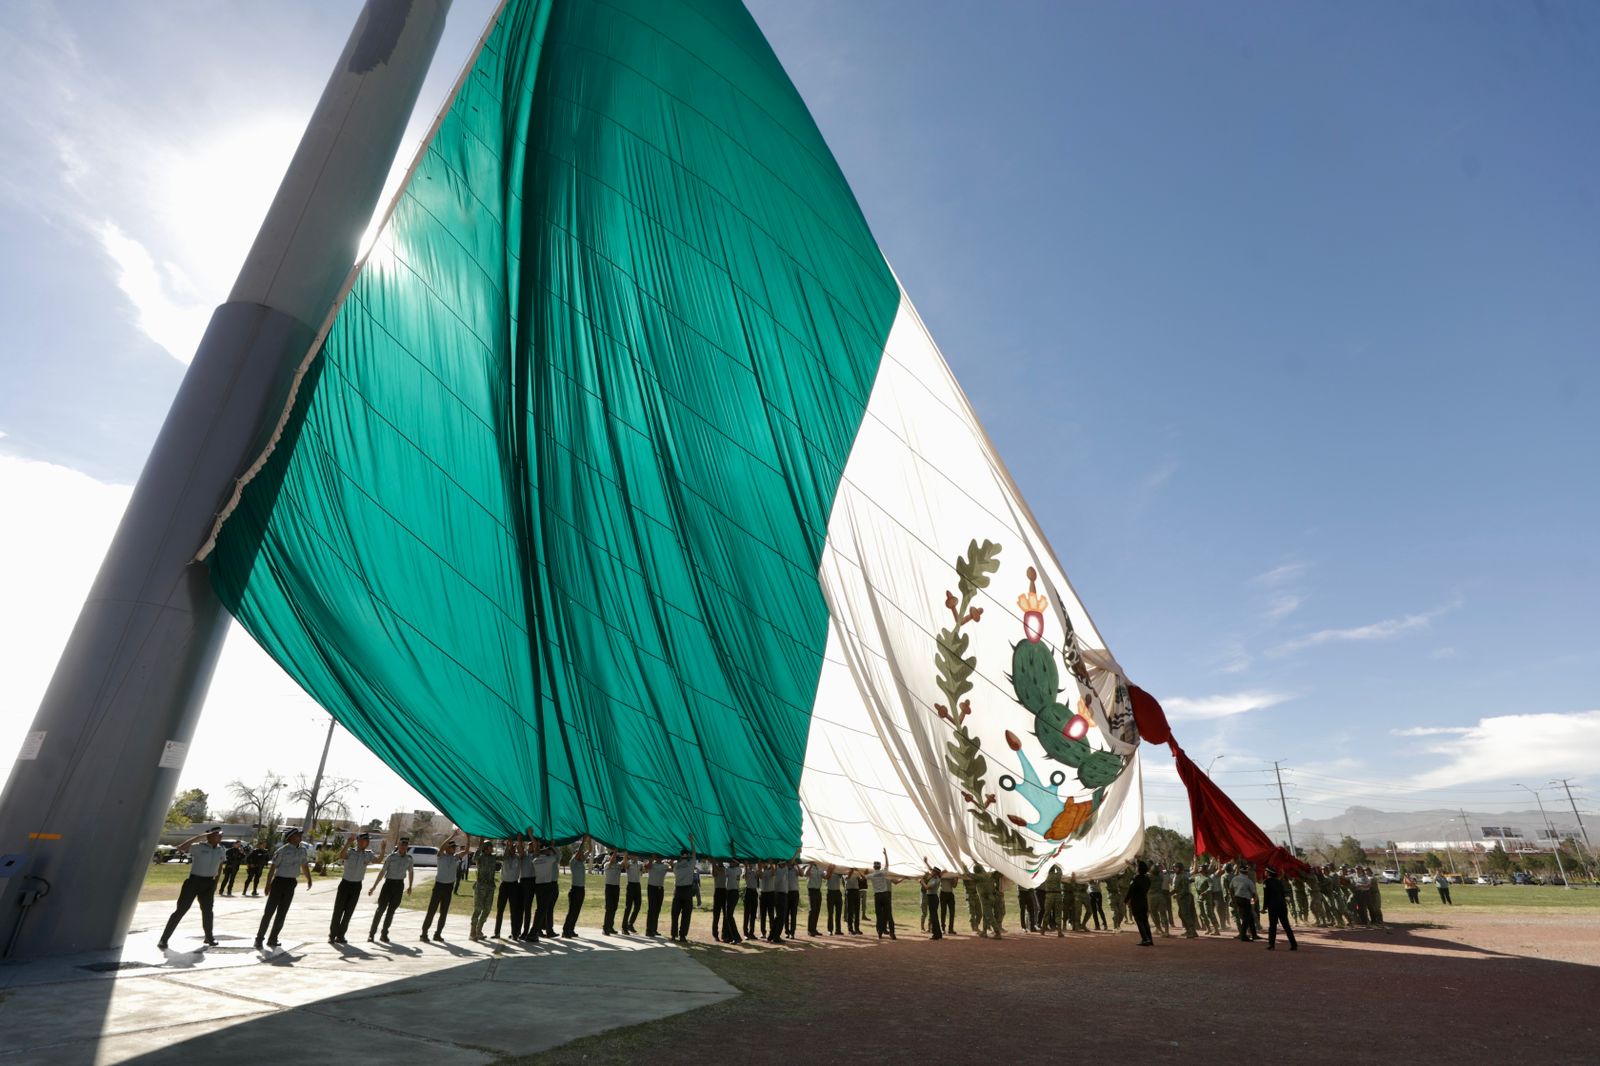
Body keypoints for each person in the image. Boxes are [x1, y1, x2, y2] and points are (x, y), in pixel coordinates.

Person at [158, 827, 226, 950]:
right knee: (181, 910)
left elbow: (220, 866)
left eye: (221, 835)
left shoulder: (221, 849)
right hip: (194, 881)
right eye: (217, 835)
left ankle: (209, 937)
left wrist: (215, 882)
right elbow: (181, 848)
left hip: (209, 883)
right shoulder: (198, 847)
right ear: (209, 836)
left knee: (208, 911)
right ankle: (164, 939)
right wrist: (200, 836)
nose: (220, 837)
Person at [255, 826, 313, 950]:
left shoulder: (302, 850)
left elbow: (304, 865)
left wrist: (309, 879)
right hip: (278, 883)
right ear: (291, 837)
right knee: (269, 912)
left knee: (282, 913)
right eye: (298, 835)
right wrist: (267, 885)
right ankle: (259, 939)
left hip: (291, 883)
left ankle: (273, 938)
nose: (300, 837)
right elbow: (273, 868)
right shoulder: (282, 850)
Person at [329, 832, 381, 944]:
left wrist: (383, 849)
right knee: (338, 911)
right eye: (364, 840)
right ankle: (332, 935)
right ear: (358, 841)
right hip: (345, 884)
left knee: (349, 912)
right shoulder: (350, 852)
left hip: (357, 886)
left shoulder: (368, 854)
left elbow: (378, 860)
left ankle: (341, 935)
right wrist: (348, 843)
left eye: (367, 841)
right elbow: (341, 855)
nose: (366, 843)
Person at [367, 837, 415, 941]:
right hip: (388, 885)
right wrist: (374, 887)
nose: (404, 847)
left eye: (406, 845)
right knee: (380, 910)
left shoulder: (409, 858)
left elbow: (411, 872)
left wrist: (410, 886)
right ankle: (372, 934)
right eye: (402, 844)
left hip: (399, 886)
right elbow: (382, 872)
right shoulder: (391, 857)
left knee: (391, 911)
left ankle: (384, 934)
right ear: (398, 845)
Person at [421, 839, 463, 941]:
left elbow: (465, 852)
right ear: (447, 848)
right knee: (432, 911)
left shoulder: (455, 858)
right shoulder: (441, 856)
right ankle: (424, 934)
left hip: (449, 888)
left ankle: (438, 934)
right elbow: (441, 847)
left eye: (454, 848)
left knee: (444, 913)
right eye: (452, 847)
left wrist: (468, 837)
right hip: (439, 886)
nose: (454, 849)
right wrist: (452, 836)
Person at [1262, 867, 1298, 951]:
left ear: (1268, 873)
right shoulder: (1279, 882)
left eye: (1265, 871)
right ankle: (1294, 944)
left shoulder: (1266, 882)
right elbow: (1282, 894)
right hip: (1282, 905)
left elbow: (1266, 896)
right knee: (1286, 925)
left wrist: (1264, 908)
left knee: (1272, 926)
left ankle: (1271, 945)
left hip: (1273, 906)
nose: (1264, 873)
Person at [495, 839, 524, 939]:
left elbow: (521, 852)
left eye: (513, 848)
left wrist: (519, 841)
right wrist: (508, 844)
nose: (512, 849)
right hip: (504, 885)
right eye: (511, 848)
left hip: (514, 886)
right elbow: (505, 854)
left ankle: (514, 933)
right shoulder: (505, 857)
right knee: (500, 910)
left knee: (514, 911)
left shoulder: (518, 858)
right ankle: (497, 932)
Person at [470, 840, 498, 940]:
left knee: (487, 909)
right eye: (490, 847)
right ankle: (472, 931)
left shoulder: (493, 857)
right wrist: (480, 845)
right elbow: (474, 858)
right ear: (485, 848)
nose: (492, 848)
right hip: (480, 887)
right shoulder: (480, 857)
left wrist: (508, 844)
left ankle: (479, 929)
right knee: (478, 909)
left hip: (490, 887)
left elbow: (506, 857)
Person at [670, 840, 698, 941]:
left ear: (681, 856)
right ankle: (682, 936)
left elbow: (672, 863)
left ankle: (673, 935)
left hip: (677, 890)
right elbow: (694, 853)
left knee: (675, 914)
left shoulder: (676, 866)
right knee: (686, 915)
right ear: (687, 856)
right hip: (687, 891)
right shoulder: (691, 864)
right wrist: (691, 841)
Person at [562, 838, 589, 937]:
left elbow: (589, 850)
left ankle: (571, 929)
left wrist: (589, 839)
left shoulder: (581, 862)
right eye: (579, 853)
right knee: (572, 911)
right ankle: (565, 930)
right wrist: (583, 841)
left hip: (581, 889)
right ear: (575, 854)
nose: (581, 855)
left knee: (577, 911)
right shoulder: (573, 862)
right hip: (575, 890)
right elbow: (581, 851)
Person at [1229, 864, 1260, 941]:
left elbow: (1230, 889)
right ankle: (1243, 935)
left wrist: (1233, 899)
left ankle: (1254, 934)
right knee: (1247, 918)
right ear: (1247, 872)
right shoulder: (1248, 881)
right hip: (1245, 900)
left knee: (1249, 917)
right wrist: (1252, 904)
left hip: (1237, 899)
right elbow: (1254, 894)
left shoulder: (1234, 879)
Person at [1125, 860, 1153, 946]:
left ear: (1139, 869)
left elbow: (1131, 890)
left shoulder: (1136, 879)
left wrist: (1126, 900)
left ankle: (1145, 939)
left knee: (1139, 920)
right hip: (1144, 901)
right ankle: (1150, 939)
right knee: (1145, 921)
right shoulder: (1147, 878)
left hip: (1136, 902)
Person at [868, 854, 896, 940]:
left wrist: (860, 871)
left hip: (877, 896)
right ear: (880, 867)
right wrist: (885, 855)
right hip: (885, 895)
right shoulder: (883, 872)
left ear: (874, 867)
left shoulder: (872, 875)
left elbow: (862, 877)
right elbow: (887, 865)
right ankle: (892, 933)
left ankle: (879, 933)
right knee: (889, 914)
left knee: (879, 915)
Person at [644, 856, 669, 937]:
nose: (659, 858)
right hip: (652, 888)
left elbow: (673, 868)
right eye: (657, 856)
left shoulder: (665, 866)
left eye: (660, 856)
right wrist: (651, 858)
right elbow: (646, 867)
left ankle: (654, 929)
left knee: (657, 909)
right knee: (652, 909)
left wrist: (671, 859)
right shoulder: (652, 864)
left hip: (660, 888)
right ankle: (648, 930)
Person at [720, 858, 743, 943]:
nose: (730, 863)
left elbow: (724, 870)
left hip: (733, 893)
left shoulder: (734, 870)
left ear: (736, 863)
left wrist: (718, 863)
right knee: (727, 915)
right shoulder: (735, 869)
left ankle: (736, 937)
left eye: (732, 862)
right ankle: (728, 936)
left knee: (729, 915)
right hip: (730, 892)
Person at [919, 860, 944, 939]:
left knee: (934, 917)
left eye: (933, 871)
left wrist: (922, 882)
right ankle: (938, 934)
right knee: (934, 916)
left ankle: (935, 934)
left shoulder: (936, 880)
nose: (931, 872)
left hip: (932, 898)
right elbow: (930, 870)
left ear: (935, 873)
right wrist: (926, 862)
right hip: (932, 897)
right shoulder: (934, 878)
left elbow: (926, 888)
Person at [601, 850, 623, 934]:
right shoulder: (607, 864)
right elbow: (611, 861)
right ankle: (605, 928)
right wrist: (615, 850)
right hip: (609, 887)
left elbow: (624, 863)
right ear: (610, 857)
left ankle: (610, 927)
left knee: (614, 908)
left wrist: (625, 853)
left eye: (615, 856)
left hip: (616, 887)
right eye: (613, 856)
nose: (614, 857)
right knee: (609, 908)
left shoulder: (618, 865)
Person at [623, 853, 644, 934]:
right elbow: (625, 864)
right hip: (630, 885)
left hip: (637, 885)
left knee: (638, 906)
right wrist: (625, 853)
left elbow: (644, 871)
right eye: (633, 855)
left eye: (636, 854)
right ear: (630, 856)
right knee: (628, 907)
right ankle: (624, 927)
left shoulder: (640, 864)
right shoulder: (628, 863)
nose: (635, 856)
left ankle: (630, 924)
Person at [805, 862, 824, 936]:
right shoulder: (808, 867)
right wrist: (811, 865)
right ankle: (810, 930)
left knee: (817, 910)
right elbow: (806, 874)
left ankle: (814, 929)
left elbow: (826, 876)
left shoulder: (820, 868)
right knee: (812, 910)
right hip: (811, 890)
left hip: (818, 891)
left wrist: (830, 869)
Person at [825, 865, 844, 935]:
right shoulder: (826, 870)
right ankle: (830, 930)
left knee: (838, 913)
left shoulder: (838, 870)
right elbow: (827, 877)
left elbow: (843, 873)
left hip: (838, 892)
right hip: (830, 892)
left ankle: (838, 930)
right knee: (830, 913)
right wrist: (831, 870)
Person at [844, 868, 863, 935]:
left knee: (857, 911)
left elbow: (862, 879)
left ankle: (857, 929)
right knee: (850, 911)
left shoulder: (856, 872)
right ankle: (850, 929)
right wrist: (852, 870)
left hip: (856, 891)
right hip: (849, 891)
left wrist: (859, 871)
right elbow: (848, 877)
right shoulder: (845, 871)